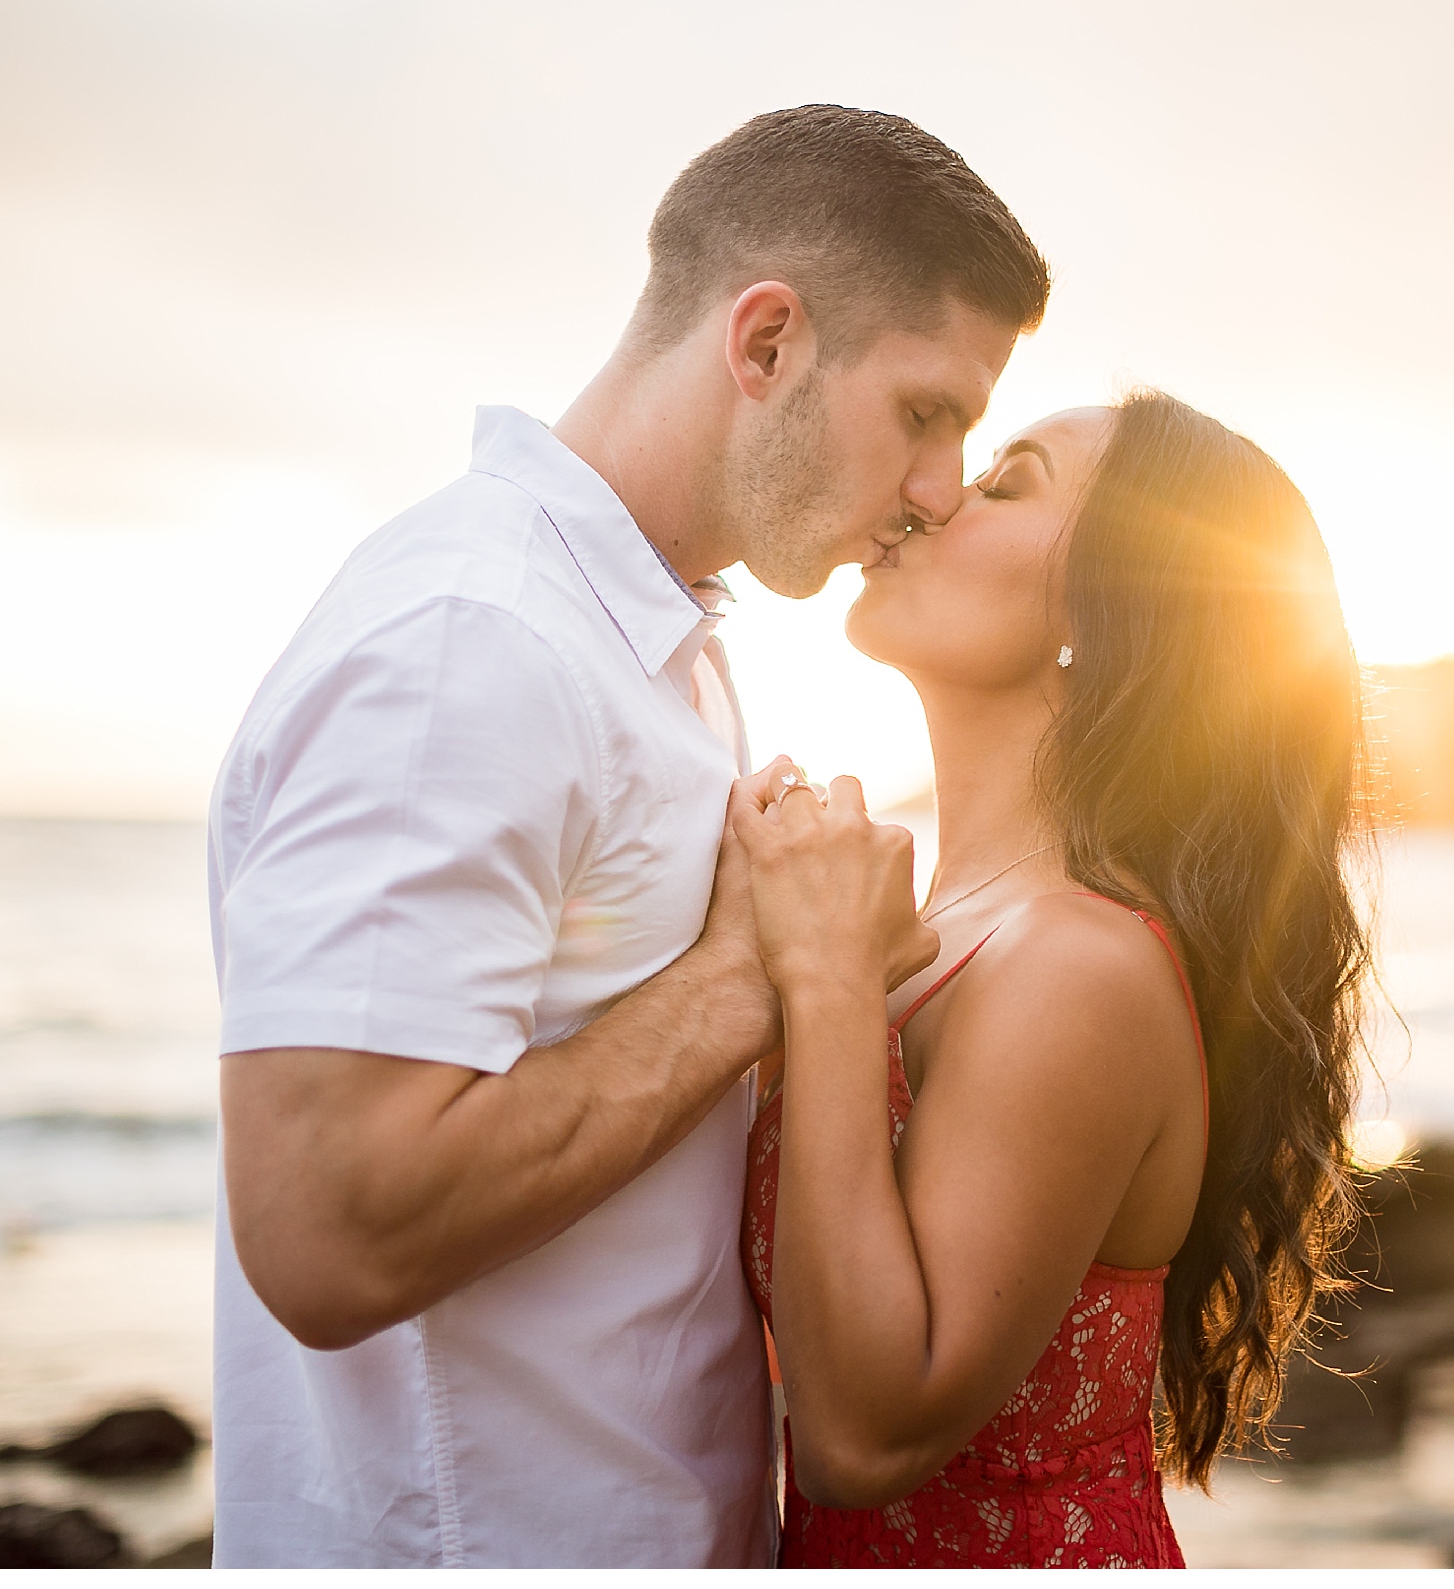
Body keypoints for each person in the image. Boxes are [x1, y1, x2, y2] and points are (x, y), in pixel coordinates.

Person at [205, 106, 1049, 1567]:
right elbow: (326, 1232)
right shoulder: (475, 641)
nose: (938, 489)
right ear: (768, 343)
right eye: (925, 413)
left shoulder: (656, 644)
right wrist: (756, 977)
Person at [731, 393, 1376, 1567]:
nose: (927, 500)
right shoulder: (951, 928)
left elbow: (862, 1443)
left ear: (1102, 616)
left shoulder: (1077, 965)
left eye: (1003, 484)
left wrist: (825, 983)